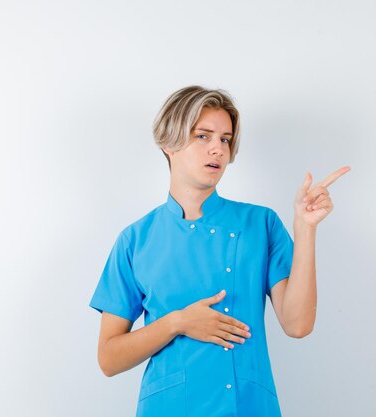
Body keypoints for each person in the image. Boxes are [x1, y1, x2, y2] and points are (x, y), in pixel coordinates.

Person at [89, 85, 350, 417]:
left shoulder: (260, 224)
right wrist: (178, 322)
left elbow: (297, 324)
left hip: (248, 407)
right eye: (203, 136)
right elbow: (109, 358)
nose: (218, 149)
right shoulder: (136, 240)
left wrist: (305, 228)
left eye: (225, 139)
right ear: (168, 143)